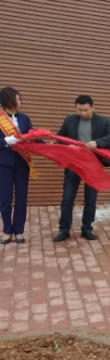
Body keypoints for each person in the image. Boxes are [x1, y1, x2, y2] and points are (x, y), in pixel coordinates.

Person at [55, 95, 110, 242]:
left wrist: (97, 142)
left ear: (92, 107)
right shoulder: (69, 120)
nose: (83, 113)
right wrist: (68, 145)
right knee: (67, 198)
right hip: (74, 163)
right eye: (79, 110)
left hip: (93, 164)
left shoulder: (103, 121)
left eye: (86, 110)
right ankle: (64, 229)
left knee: (90, 199)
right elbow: (59, 138)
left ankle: (86, 229)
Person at [0, 88, 34, 245]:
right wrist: (6, 141)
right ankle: (7, 230)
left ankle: (19, 230)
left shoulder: (25, 118)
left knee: (21, 198)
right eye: (17, 99)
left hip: (22, 163)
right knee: (5, 198)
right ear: (8, 101)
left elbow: (32, 136)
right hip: (3, 164)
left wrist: (48, 144)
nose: (20, 102)